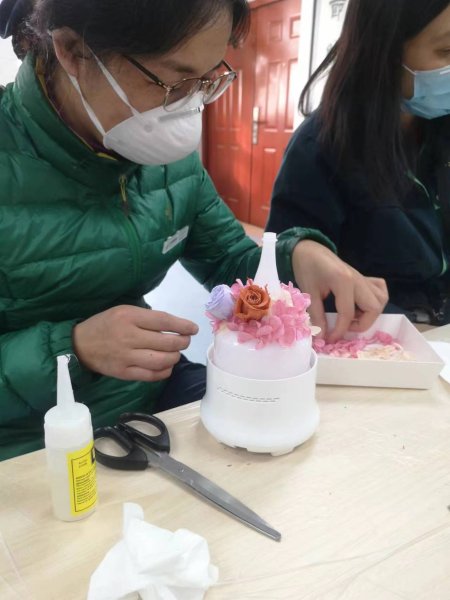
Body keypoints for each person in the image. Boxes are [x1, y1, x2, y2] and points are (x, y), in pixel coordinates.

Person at [0, 0, 387, 460]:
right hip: (28, 435)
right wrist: (74, 348)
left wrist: (294, 257)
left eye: (207, 80)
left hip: (148, 394)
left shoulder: (165, 161)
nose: (189, 107)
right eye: (173, 81)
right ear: (72, 50)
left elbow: (227, 258)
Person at [267, 0, 450, 328]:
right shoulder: (320, 148)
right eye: (446, 51)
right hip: (374, 333)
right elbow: (292, 279)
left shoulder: (439, 129)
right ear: (385, 50)